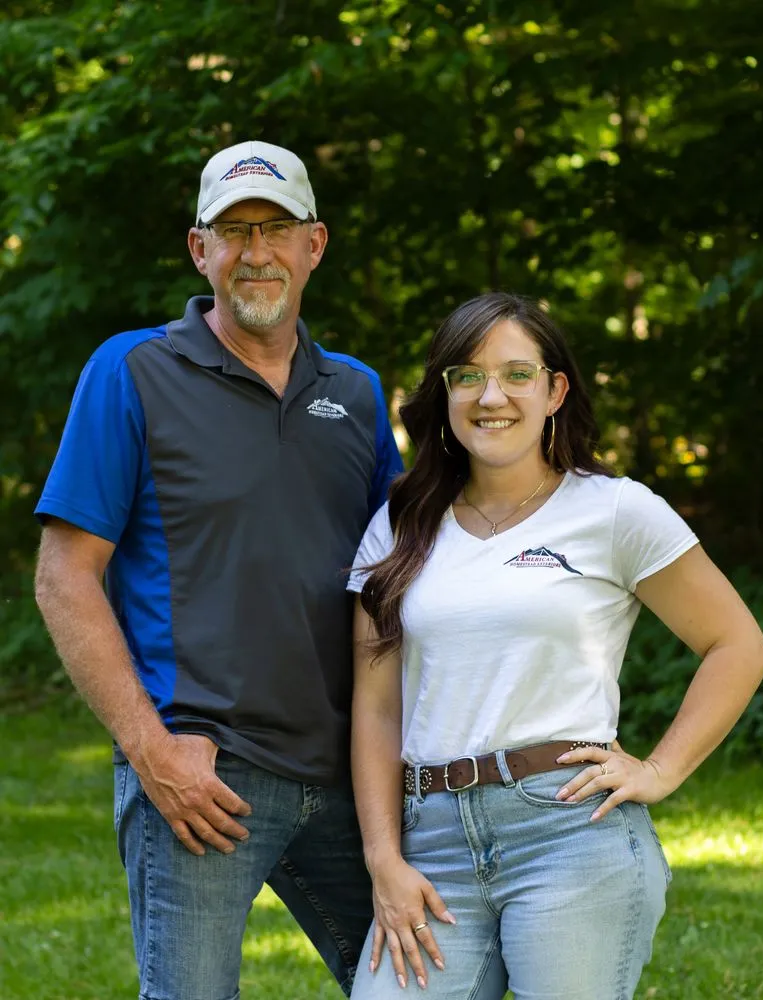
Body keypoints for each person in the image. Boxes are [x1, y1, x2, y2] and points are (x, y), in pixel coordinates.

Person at [33, 139, 403, 1000]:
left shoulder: (354, 393)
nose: (257, 252)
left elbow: (400, 568)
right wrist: (150, 750)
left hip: (350, 773)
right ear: (200, 250)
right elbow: (64, 577)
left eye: (276, 229)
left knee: (424, 984)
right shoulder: (131, 371)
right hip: (203, 777)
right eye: (233, 231)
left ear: (315, 245)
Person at [346, 292, 763, 1000]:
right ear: (444, 392)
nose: (492, 397)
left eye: (516, 374)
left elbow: (737, 644)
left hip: (569, 835)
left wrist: (660, 769)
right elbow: (376, 706)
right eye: (467, 375)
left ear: (554, 390)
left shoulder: (614, 511)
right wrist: (382, 857)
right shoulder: (399, 523)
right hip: (433, 846)